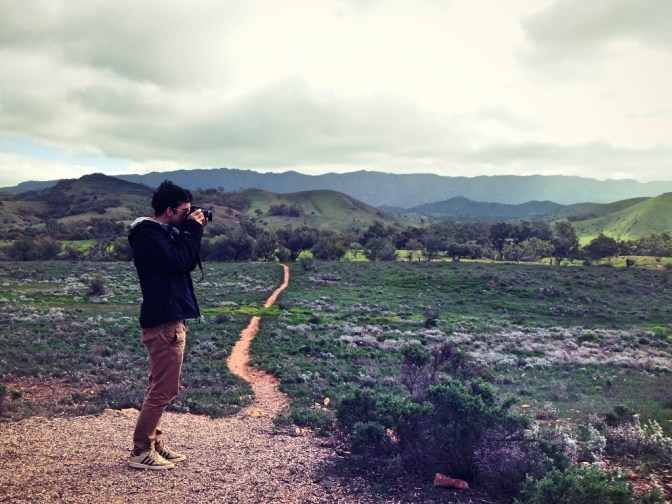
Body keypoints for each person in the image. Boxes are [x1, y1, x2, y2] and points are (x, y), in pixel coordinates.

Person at [127, 180, 208, 470]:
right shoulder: (149, 235)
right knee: (164, 390)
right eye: (185, 211)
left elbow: (183, 260)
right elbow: (179, 262)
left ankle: (154, 442)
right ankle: (141, 450)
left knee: (159, 386)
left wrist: (189, 231)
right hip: (163, 322)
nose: (189, 215)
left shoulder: (161, 234)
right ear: (170, 210)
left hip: (168, 318)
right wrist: (192, 230)